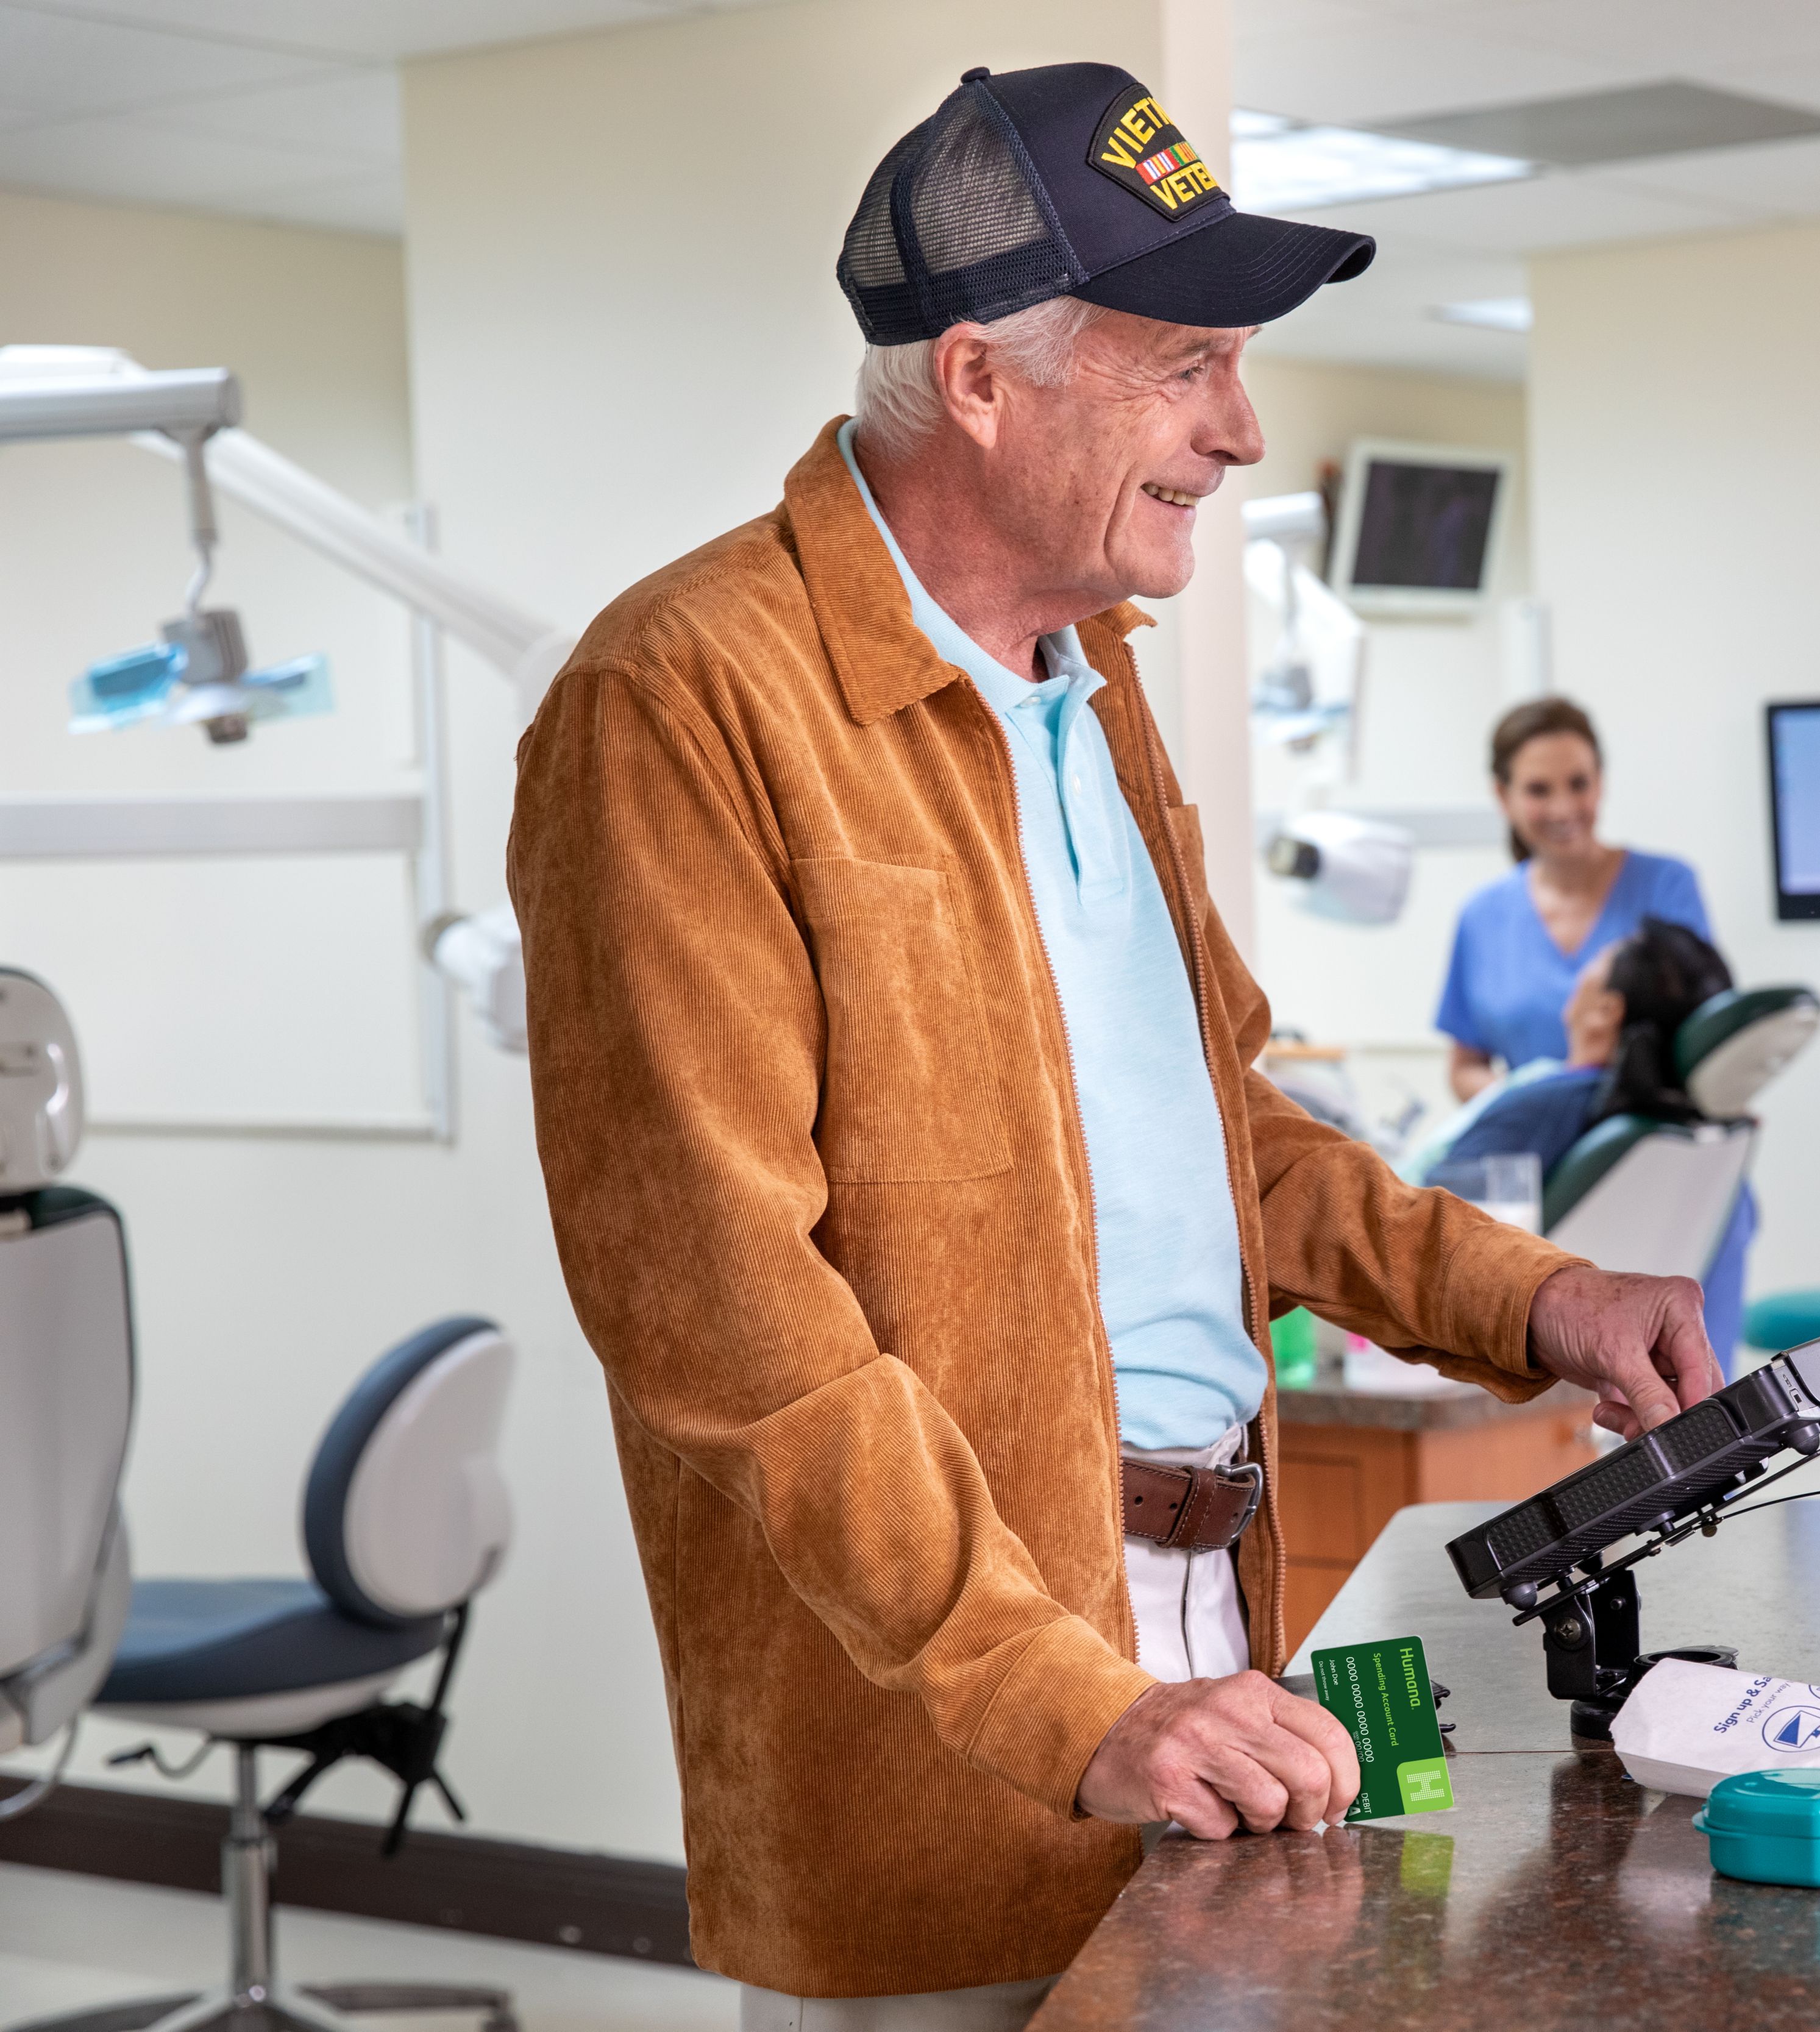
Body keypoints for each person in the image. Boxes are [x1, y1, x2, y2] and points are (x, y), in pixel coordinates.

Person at [508, 63, 1716, 2023]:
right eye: (1190, 368)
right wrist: (1066, 1697)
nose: (1239, 434)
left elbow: (1230, 1130)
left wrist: (1532, 1297)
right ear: (980, 378)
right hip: (949, 1705)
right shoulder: (686, 698)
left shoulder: (1089, 681)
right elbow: (724, 1320)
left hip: (1203, 1619)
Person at [1418, 918, 1757, 1357]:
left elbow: (1419, 1234)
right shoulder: (1708, 1143)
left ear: (1606, 1010)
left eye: (1591, 967)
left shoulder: (1545, 1106)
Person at [1436, 697, 1712, 1100]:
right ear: (1502, 795)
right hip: (1546, 1157)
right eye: (1538, 790)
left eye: (1578, 784)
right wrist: (1533, 1102)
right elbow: (1465, 1066)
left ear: (1601, 782)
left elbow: (1707, 1030)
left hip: (1665, 1145)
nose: (1563, 808)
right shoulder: (1482, 917)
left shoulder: (1668, 887)